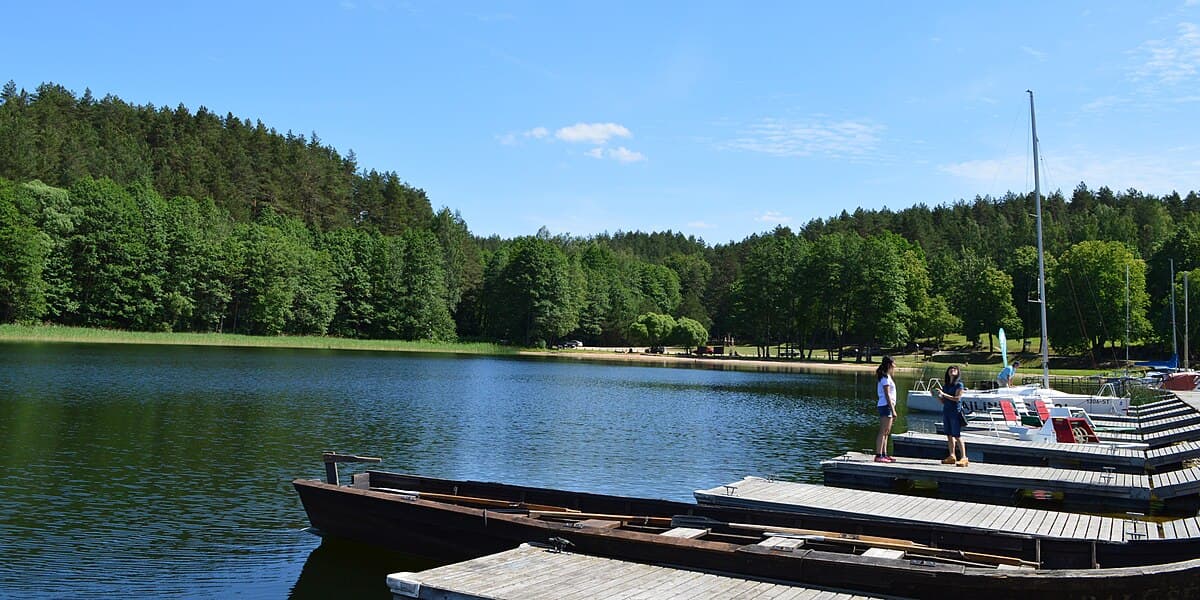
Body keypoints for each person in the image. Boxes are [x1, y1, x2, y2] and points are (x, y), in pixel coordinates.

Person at [938, 365, 968, 467]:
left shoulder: (959, 385)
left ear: (958, 372)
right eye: (950, 369)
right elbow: (943, 401)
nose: (952, 370)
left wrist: (943, 394)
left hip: (955, 412)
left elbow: (957, 398)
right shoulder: (946, 386)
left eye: (955, 369)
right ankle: (952, 455)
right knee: (949, 434)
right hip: (946, 411)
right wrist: (937, 396)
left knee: (957, 435)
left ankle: (964, 457)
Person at [874, 355, 897, 463]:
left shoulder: (887, 376)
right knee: (883, 431)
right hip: (885, 406)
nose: (895, 365)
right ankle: (878, 455)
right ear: (889, 364)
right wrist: (893, 410)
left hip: (888, 406)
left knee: (887, 432)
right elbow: (887, 395)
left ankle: (884, 454)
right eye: (893, 363)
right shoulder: (884, 378)